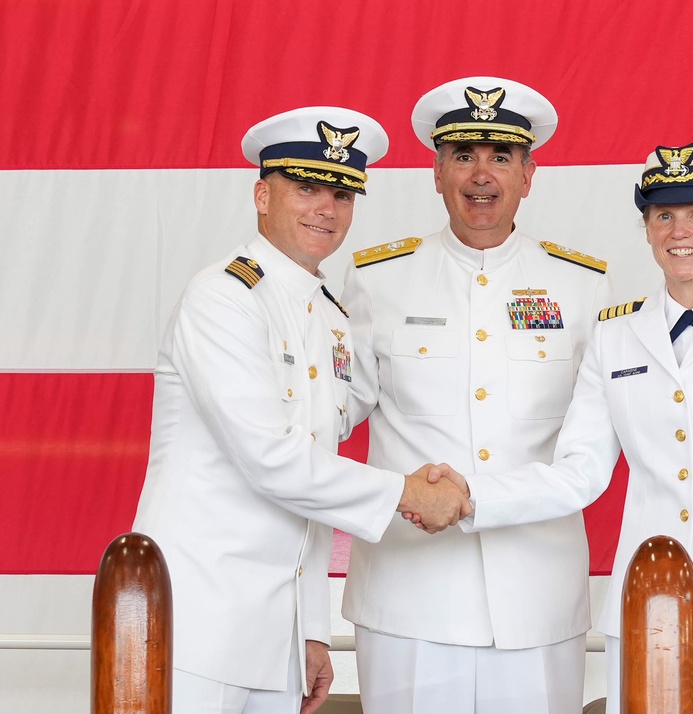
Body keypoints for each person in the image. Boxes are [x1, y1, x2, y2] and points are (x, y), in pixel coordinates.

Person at [436, 143, 693, 714]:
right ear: (648, 229)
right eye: (663, 216)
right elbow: (579, 471)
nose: (679, 231)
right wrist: (471, 496)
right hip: (648, 610)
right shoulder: (616, 333)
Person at [131, 106, 469, 714]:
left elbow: (312, 487)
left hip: (277, 636)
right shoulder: (224, 298)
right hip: (195, 620)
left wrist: (311, 628)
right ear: (263, 195)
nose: (326, 208)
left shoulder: (331, 319)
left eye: (341, 194)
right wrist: (406, 494)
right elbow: (272, 461)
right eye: (306, 188)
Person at [339, 77, 613, 714]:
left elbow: (596, 451)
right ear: (436, 173)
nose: (481, 174)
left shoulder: (582, 286)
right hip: (409, 596)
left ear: (529, 172)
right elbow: (327, 414)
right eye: (463, 155)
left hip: (536, 599)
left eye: (501, 156)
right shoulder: (379, 277)